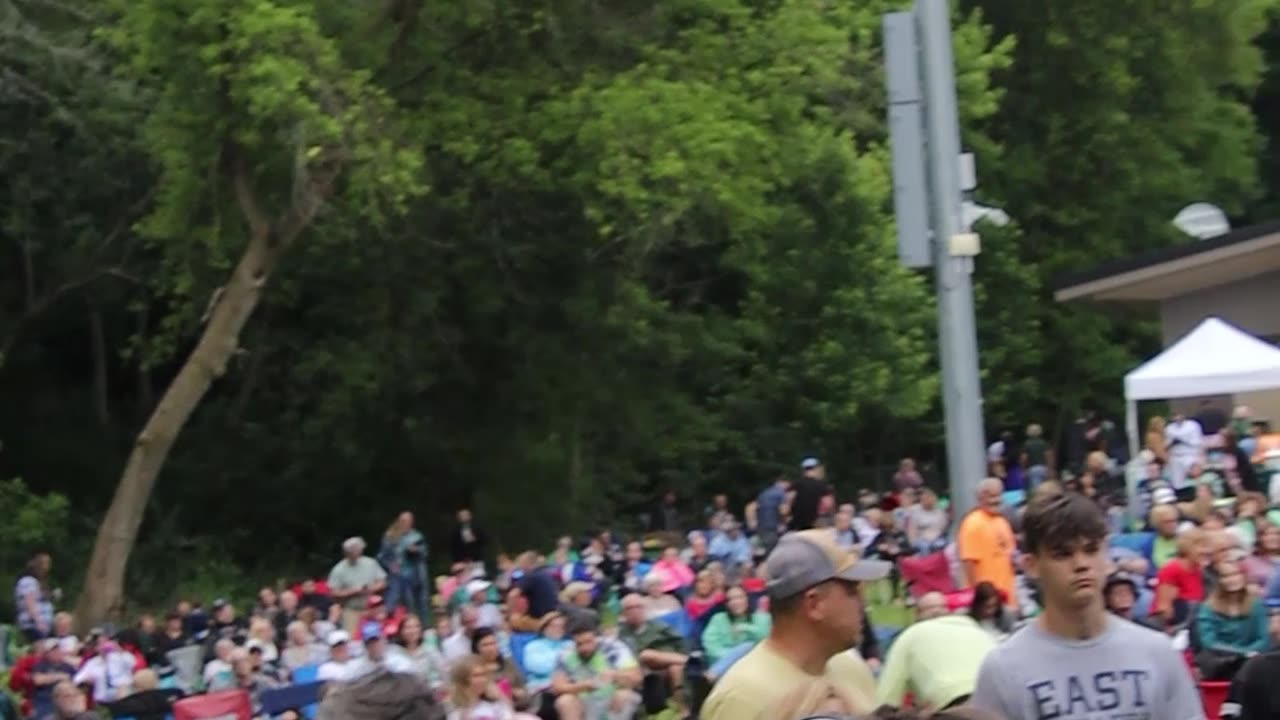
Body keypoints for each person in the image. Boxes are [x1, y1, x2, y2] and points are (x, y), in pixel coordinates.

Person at [970, 490, 1204, 719]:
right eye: (1062, 554)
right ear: (1031, 565)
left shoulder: (1157, 652)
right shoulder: (1003, 669)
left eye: (1091, 550)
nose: (1081, 564)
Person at [700, 529, 889, 720]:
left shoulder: (850, 664)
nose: (863, 603)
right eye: (853, 591)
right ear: (814, 604)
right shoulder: (740, 699)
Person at [876, 601, 998, 710]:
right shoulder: (980, 632)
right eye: (930, 608)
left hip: (954, 704)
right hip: (1002, 701)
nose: (935, 611)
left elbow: (885, 703)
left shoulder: (910, 635)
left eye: (938, 606)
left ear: (916, 615)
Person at [957, 478, 1017, 607]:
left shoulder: (1002, 521)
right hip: (987, 601)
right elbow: (969, 562)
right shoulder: (972, 523)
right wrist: (978, 598)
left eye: (998, 495)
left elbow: (1010, 556)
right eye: (990, 495)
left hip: (1008, 597)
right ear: (980, 497)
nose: (995, 500)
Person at [328, 537, 388, 634]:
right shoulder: (339, 569)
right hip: (351, 610)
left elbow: (383, 582)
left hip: (373, 608)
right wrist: (352, 591)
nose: (356, 553)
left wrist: (371, 588)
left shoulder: (371, 563)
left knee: (377, 634)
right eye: (352, 551)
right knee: (352, 637)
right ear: (346, 553)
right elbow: (333, 592)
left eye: (358, 550)